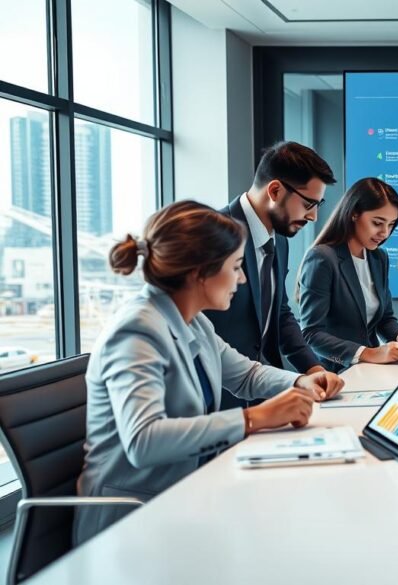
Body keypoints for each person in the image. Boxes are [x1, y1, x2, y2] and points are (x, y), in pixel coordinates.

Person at [76, 201, 343, 544]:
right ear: (199, 273)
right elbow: (143, 441)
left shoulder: (193, 320)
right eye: (235, 266)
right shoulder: (136, 331)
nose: (243, 278)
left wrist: (300, 380)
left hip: (183, 493)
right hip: (130, 519)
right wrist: (254, 418)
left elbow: (244, 375)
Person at [205, 141, 335, 409]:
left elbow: (280, 313)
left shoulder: (280, 238)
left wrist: (313, 369)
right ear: (275, 190)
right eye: (309, 203)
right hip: (214, 402)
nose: (313, 217)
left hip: (263, 391)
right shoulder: (214, 235)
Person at [297, 178, 398, 370]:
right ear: (353, 214)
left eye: (391, 224)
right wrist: (367, 353)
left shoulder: (378, 258)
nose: (384, 233)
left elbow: (385, 318)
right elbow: (311, 333)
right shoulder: (322, 258)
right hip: (333, 373)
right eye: (377, 223)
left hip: (371, 368)